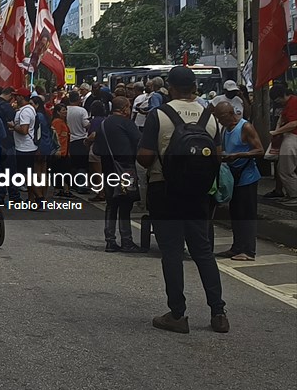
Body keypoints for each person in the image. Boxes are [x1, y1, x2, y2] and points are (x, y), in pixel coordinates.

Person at [137, 66, 228, 334]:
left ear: (170, 87)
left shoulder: (159, 114)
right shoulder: (210, 118)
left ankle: (177, 314)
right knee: (203, 252)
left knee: (172, 253)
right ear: (194, 87)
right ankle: (219, 313)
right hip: (199, 193)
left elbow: (144, 157)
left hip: (164, 190)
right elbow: (218, 156)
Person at [213, 102, 264, 262]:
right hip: (232, 176)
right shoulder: (225, 129)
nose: (220, 121)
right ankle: (237, 246)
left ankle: (249, 251)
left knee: (247, 214)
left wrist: (238, 155)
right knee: (236, 213)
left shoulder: (245, 127)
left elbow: (260, 150)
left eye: (221, 117)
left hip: (247, 176)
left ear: (230, 113)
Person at [94, 96, 141, 252]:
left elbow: (96, 150)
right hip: (126, 169)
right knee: (126, 205)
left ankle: (110, 240)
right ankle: (126, 240)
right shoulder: (128, 124)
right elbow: (138, 143)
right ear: (125, 108)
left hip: (108, 169)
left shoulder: (103, 124)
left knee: (111, 204)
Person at [268, 84, 297, 199]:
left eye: (278, 99)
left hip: (293, 137)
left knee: (285, 170)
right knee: (285, 169)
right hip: (290, 136)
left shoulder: (293, 103)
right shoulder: (289, 104)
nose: (278, 102)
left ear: (283, 95)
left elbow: (294, 123)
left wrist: (276, 132)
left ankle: (294, 196)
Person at [11, 88, 37, 198]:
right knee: (28, 175)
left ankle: (39, 197)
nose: (15, 98)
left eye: (17, 96)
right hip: (27, 146)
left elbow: (24, 130)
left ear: (21, 97)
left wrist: (13, 126)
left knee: (27, 176)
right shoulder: (28, 109)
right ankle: (32, 199)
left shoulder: (25, 112)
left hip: (24, 148)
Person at [66, 92, 90, 187]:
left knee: (71, 164)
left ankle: (70, 184)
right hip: (80, 139)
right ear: (78, 99)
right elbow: (86, 124)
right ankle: (81, 185)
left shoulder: (65, 110)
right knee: (81, 164)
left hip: (68, 140)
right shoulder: (82, 111)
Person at [85, 100, 107, 201]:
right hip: (104, 148)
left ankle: (100, 192)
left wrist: (87, 141)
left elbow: (93, 135)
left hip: (95, 148)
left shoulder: (95, 121)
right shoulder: (105, 119)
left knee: (97, 172)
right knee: (103, 171)